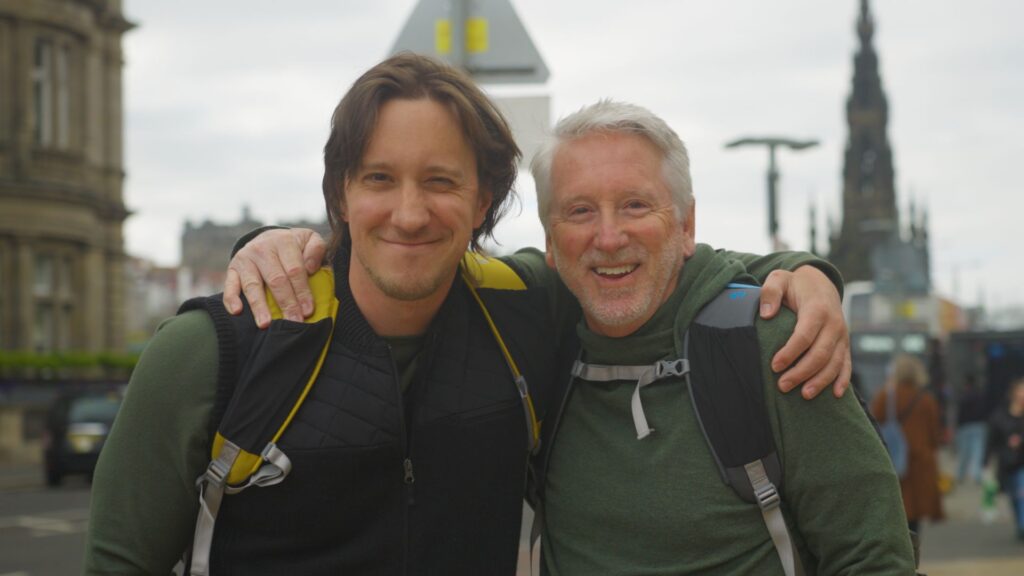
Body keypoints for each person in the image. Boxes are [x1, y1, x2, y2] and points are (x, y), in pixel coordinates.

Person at [86, 54, 850, 575]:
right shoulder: (210, 351)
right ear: (340, 196)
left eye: (442, 182)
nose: (410, 213)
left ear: (483, 200)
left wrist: (804, 275)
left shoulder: (525, 308)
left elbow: (646, 263)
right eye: (379, 178)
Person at [231, 98, 913, 574]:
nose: (608, 237)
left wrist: (807, 273)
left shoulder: (775, 341)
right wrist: (277, 246)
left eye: (636, 206)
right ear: (550, 245)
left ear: (686, 223)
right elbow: (409, 261)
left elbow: (871, 556)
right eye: (580, 212)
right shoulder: (537, 324)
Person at [872, 354, 945, 535]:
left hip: (894, 461)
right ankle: (913, 550)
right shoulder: (927, 399)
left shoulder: (885, 396)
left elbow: (872, 424)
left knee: (898, 509)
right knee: (915, 516)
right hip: (921, 462)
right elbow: (935, 435)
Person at [988, 377, 1024, 541]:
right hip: (1008, 463)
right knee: (1014, 497)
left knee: (1022, 493)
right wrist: (986, 462)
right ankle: (1020, 524)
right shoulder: (1000, 415)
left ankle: (1023, 526)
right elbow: (992, 439)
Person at [955, 374, 990, 485]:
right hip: (979, 425)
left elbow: (960, 414)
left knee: (964, 453)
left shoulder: (963, 396)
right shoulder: (980, 395)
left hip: (965, 426)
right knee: (977, 452)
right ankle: (976, 475)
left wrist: (957, 426)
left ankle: (960, 475)